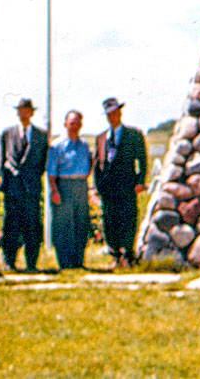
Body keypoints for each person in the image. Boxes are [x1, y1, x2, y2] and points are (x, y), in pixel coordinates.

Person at [93, 97, 148, 268]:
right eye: (109, 114)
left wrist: (140, 181)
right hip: (108, 189)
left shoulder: (134, 135)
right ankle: (115, 255)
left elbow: (143, 160)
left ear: (120, 113)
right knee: (110, 221)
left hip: (127, 187)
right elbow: (98, 163)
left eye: (115, 113)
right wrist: (98, 186)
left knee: (128, 220)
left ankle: (128, 255)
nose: (113, 117)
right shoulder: (102, 138)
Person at [0, 98, 49, 272]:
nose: (23, 114)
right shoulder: (7, 133)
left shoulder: (41, 135)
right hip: (12, 190)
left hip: (31, 189)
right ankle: (9, 262)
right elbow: (3, 161)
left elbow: (43, 163)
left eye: (26, 110)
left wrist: (32, 178)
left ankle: (31, 263)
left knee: (32, 227)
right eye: (20, 110)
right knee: (11, 226)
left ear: (31, 112)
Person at [47, 110, 92, 270]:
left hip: (81, 186)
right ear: (65, 124)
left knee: (81, 223)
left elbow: (89, 165)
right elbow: (51, 172)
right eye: (72, 123)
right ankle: (64, 263)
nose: (75, 127)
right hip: (63, 185)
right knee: (63, 225)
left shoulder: (84, 144)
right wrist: (54, 191)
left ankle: (78, 261)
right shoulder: (57, 145)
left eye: (77, 124)